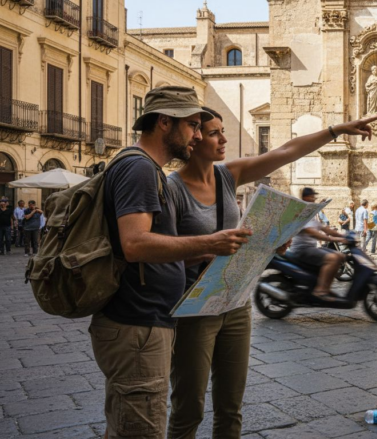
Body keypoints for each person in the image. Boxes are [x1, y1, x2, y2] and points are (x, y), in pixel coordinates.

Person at [166, 107, 377, 439]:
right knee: (188, 409)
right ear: (193, 139)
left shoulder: (228, 174)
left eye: (222, 131)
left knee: (231, 408)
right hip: (195, 308)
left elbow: (285, 152)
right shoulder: (172, 189)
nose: (223, 139)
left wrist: (335, 130)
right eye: (213, 133)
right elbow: (162, 251)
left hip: (235, 303)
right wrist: (211, 248)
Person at [90, 86, 254, 439]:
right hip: (138, 324)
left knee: (127, 425)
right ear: (165, 122)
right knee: (141, 429)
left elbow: (151, 247)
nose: (197, 135)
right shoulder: (141, 170)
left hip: (145, 322)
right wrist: (210, 240)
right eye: (193, 125)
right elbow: (134, 244)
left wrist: (206, 251)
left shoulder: (143, 167)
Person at [293, 188, 352, 302]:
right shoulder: (301, 214)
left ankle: (326, 287)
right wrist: (336, 239)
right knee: (333, 258)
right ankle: (320, 291)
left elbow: (325, 229)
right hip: (302, 249)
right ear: (306, 198)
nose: (314, 199)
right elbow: (315, 234)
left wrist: (343, 235)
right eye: (312, 197)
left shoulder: (312, 214)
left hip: (311, 248)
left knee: (340, 256)